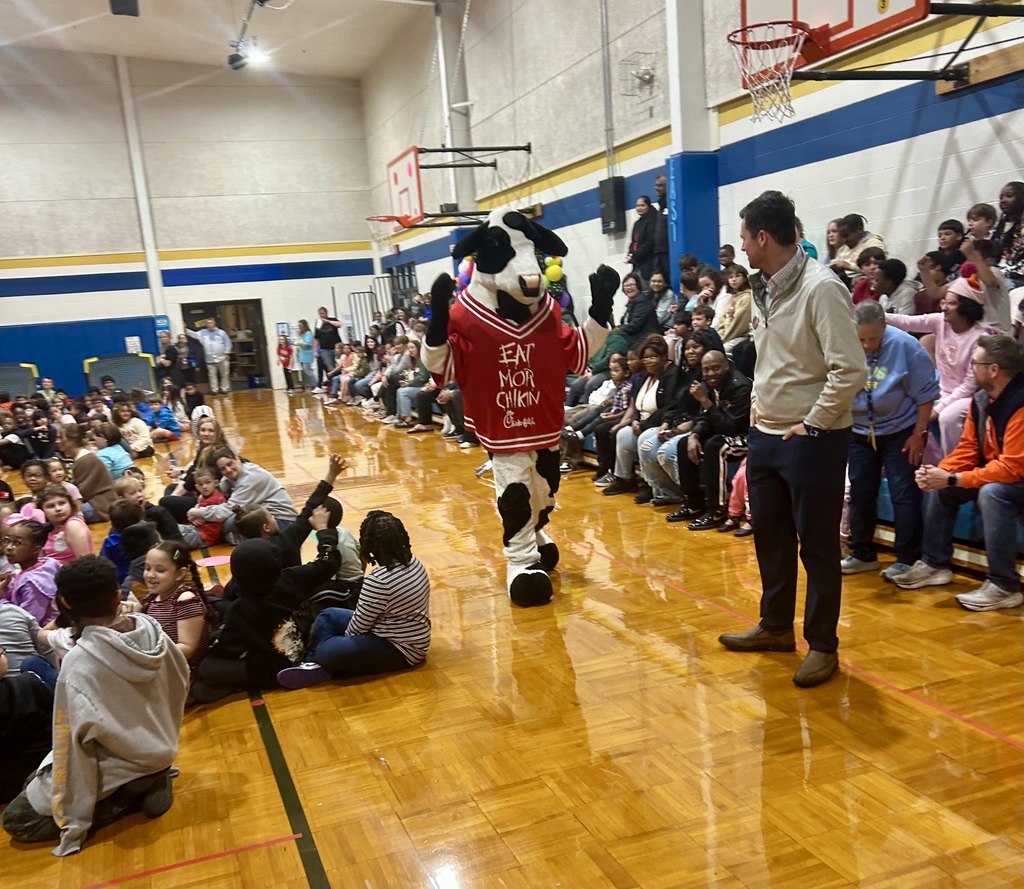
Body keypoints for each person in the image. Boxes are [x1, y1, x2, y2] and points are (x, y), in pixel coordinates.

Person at [717, 190, 866, 689]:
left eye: (744, 238)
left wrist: (815, 423)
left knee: (818, 546)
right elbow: (774, 359)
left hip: (812, 439)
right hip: (766, 436)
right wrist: (759, 407)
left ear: (763, 237)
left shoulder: (822, 288)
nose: (740, 247)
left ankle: (823, 645)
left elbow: (850, 370)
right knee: (771, 540)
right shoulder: (764, 289)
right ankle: (776, 627)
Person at [3, 556, 188, 856]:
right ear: (117, 594)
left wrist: (75, 816)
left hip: (119, 758)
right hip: (161, 744)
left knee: (17, 821)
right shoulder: (152, 629)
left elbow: (72, 742)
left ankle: (123, 797)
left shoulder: (79, 662)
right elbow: (181, 682)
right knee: (32, 781)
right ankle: (152, 775)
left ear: (65, 603)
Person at [890, 335, 1024, 611]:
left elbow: (1012, 468)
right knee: (942, 486)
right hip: (1000, 473)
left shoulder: (1020, 404)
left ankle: (1004, 585)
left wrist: (955, 478)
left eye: (975, 363)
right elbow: (968, 448)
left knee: (993, 493)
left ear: (994, 370)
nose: (970, 368)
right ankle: (934, 563)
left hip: (1016, 479)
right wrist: (940, 472)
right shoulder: (981, 400)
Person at [192, 508, 339, 702]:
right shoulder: (294, 577)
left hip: (275, 666)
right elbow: (328, 563)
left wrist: (213, 638)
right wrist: (323, 531)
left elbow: (227, 649)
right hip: (305, 645)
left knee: (208, 667)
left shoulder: (241, 609)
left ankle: (226, 687)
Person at [277, 511, 430, 688]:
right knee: (328, 615)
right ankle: (313, 664)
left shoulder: (379, 580)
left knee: (328, 651)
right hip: (402, 632)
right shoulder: (414, 562)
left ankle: (318, 661)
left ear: (370, 545)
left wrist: (342, 647)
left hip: (401, 648)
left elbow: (358, 628)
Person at [843, 301, 939, 579]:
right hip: (860, 431)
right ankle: (862, 553)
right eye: (861, 338)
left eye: (874, 338)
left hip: (900, 430)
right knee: (861, 493)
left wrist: (919, 434)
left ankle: (907, 559)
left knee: (903, 494)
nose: (866, 345)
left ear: (885, 329)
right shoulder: (843, 341)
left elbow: (926, 394)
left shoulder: (906, 346)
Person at [887, 272, 989, 457]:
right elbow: (908, 322)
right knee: (910, 408)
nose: (944, 307)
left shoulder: (980, 338)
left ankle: (955, 467)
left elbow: (969, 385)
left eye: (950, 303)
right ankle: (930, 468)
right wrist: (877, 315)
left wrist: (939, 408)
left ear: (966, 307)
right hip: (941, 390)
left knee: (949, 417)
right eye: (944, 302)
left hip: (968, 397)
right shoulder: (940, 322)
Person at [664, 350, 751, 530]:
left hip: (746, 437)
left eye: (715, 368)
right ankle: (694, 503)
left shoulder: (740, 386)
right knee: (684, 443)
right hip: (722, 432)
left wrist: (705, 400)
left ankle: (717, 510)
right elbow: (704, 418)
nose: (711, 374)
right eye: (706, 370)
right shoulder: (709, 385)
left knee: (715, 447)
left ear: (726, 366)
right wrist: (695, 435)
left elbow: (731, 426)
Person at [602, 334, 681, 496]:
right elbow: (635, 403)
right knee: (623, 434)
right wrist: (635, 420)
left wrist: (643, 425)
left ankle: (656, 487)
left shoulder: (672, 375)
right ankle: (625, 479)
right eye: (645, 358)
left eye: (653, 357)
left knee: (645, 439)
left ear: (664, 357)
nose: (649, 361)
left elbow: (668, 407)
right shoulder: (644, 375)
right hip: (642, 421)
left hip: (661, 423)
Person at [187, 448, 297, 543]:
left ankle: (204, 537)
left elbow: (227, 510)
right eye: (223, 469)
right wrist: (198, 508)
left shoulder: (250, 478)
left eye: (230, 464)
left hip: (282, 520)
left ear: (237, 458)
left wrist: (198, 512)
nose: (228, 470)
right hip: (263, 515)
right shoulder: (232, 475)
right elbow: (215, 494)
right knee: (221, 518)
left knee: (229, 522)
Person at [141, 542, 216, 673]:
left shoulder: (185, 599)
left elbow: (187, 649)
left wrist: (146, 656)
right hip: (164, 663)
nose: (150, 575)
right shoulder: (154, 597)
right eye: (147, 568)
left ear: (180, 574)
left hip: (184, 671)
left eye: (160, 570)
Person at [0, 517, 61, 625]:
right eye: (7, 540)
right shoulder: (46, 562)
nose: (9, 547)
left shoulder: (33, 584)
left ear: (36, 549)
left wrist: (2, 599)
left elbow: (25, 623)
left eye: (17, 543)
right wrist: (7, 590)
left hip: (42, 635)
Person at [55, 425, 115, 523]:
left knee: (58, 512)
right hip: (94, 501)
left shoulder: (86, 460)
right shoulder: (82, 458)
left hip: (100, 504)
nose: (57, 441)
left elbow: (82, 492)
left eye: (60, 437)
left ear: (72, 439)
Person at [38, 485, 92, 567]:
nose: (58, 509)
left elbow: (85, 563)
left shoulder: (73, 525)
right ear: (42, 510)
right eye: (51, 506)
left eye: (62, 503)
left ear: (70, 505)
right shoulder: (47, 529)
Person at [186, 319, 233, 395]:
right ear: (206, 325)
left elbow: (228, 343)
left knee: (224, 374)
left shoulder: (222, 332)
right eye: (208, 323)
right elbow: (193, 334)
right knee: (212, 375)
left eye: (211, 323)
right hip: (210, 359)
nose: (210, 324)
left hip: (222, 357)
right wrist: (185, 329)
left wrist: (227, 353)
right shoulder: (202, 333)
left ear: (214, 323)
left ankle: (225, 388)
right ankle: (214, 390)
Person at [992, 180, 1024, 288]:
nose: (1003, 201)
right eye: (1001, 198)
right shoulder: (1001, 226)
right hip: (1000, 275)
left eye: (1009, 196)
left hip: (1018, 278)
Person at [618, 273, 660, 349]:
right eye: (626, 285)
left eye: (631, 285)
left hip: (645, 341)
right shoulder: (631, 303)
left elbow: (635, 325)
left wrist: (617, 329)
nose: (629, 288)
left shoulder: (642, 301)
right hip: (634, 339)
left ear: (638, 286)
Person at [626, 195, 657, 286]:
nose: (639, 208)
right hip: (636, 264)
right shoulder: (637, 223)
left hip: (647, 263)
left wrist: (635, 256)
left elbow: (650, 243)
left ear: (648, 206)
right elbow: (633, 242)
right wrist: (630, 255)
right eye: (637, 206)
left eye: (642, 205)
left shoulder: (653, 221)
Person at [312, 306, 343, 392]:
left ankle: (341, 386)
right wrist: (315, 351)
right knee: (331, 368)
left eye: (323, 313)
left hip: (336, 347)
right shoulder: (318, 324)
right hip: (325, 349)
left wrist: (328, 321)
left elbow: (339, 325)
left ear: (326, 313)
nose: (321, 315)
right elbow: (316, 338)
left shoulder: (332, 319)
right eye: (320, 314)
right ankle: (335, 387)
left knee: (340, 365)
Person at [652, 174, 670, 281]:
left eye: (660, 185)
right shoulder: (661, 205)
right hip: (659, 250)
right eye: (656, 185)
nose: (656, 188)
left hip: (667, 250)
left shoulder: (672, 203)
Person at [294, 320, 315, 391]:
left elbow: (307, 344)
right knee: (306, 370)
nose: (299, 327)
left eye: (301, 325)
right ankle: (312, 384)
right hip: (301, 354)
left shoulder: (308, 333)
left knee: (308, 370)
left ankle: (315, 384)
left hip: (307, 354)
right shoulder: (300, 334)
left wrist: (297, 343)